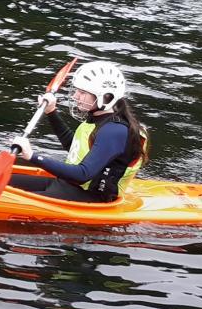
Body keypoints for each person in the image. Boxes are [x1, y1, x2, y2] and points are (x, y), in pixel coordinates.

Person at [8, 61, 149, 203]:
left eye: (82, 92)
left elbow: (82, 174)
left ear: (106, 97)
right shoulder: (97, 118)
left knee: (8, 198)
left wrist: (32, 156)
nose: (75, 96)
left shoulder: (114, 131)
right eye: (76, 90)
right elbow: (73, 146)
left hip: (91, 198)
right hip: (67, 186)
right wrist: (51, 112)